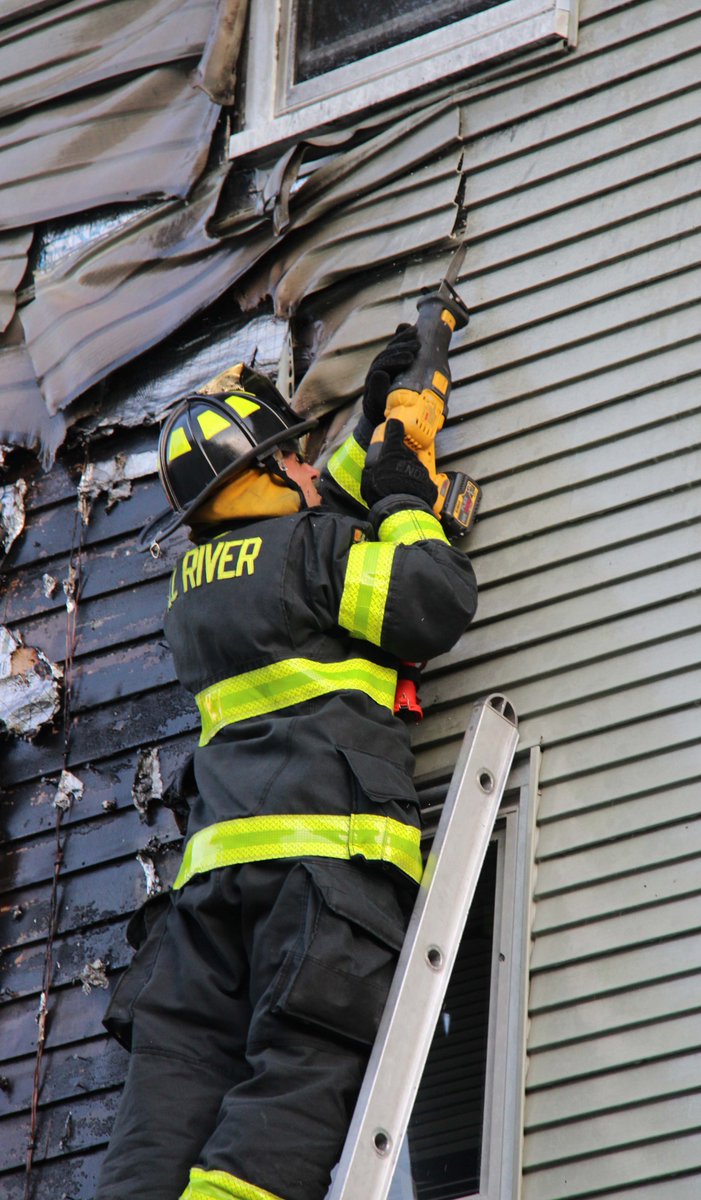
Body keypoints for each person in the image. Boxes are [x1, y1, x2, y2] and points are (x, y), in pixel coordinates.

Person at [96, 331, 478, 1200]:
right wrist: (407, 496)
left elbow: (299, 521)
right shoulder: (311, 556)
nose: (310, 470)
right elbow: (430, 598)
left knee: (169, 1100)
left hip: (210, 900)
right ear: (267, 478)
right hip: (319, 879)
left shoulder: (193, 591)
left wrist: (379, 431)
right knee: (301, 1076)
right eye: (292, 459)